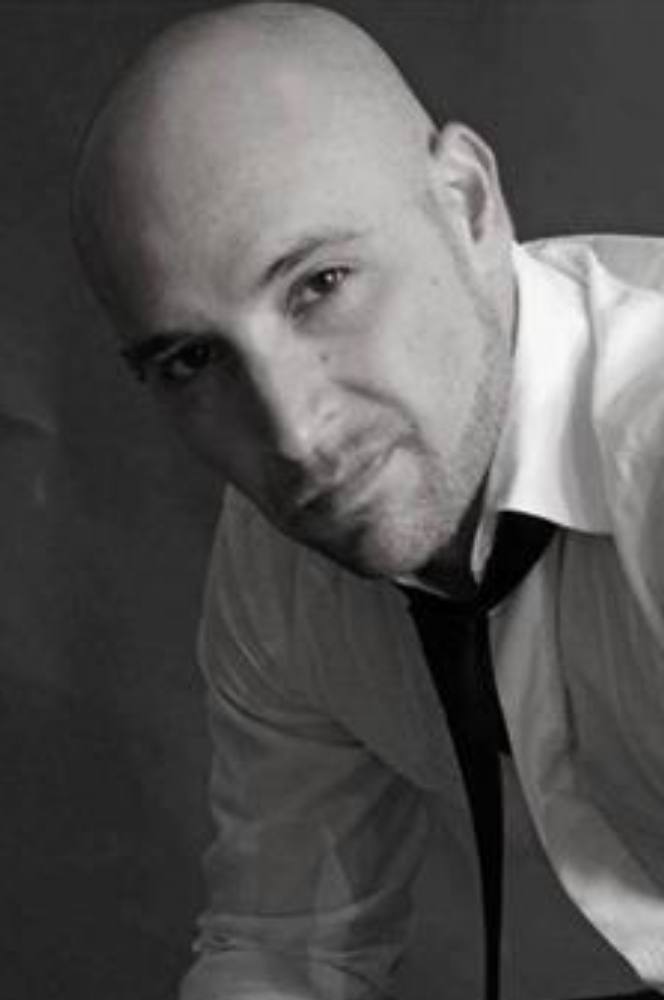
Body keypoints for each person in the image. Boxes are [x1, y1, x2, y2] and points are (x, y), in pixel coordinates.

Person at [70, 3, 664, 999]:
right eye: (193, 360)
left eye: (320, 284)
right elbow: (286, 951)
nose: (295, 434)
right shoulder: (282, 554)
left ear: (467, 202)